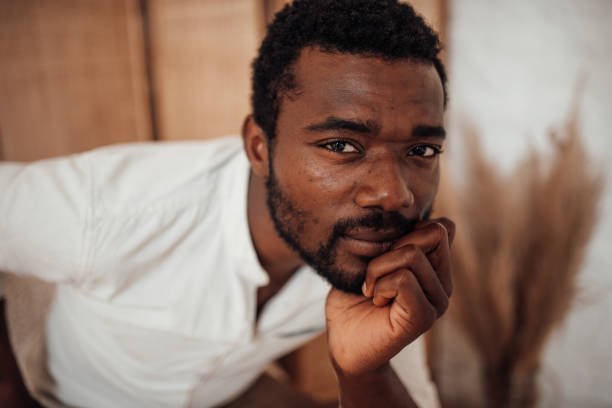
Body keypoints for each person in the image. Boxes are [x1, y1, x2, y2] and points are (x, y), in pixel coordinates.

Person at [0, 0, 454, 406]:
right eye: (340, 145)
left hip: (234, 392)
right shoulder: (113, 209)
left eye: (422, 151)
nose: (395, 195)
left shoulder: (373, 242)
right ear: (260, 147)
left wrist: (365, 372)